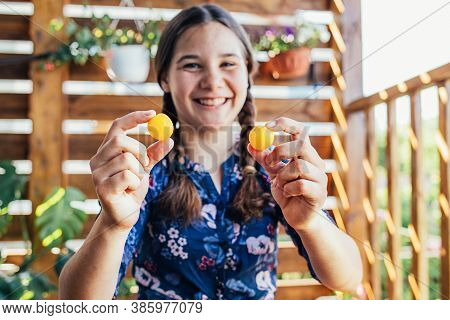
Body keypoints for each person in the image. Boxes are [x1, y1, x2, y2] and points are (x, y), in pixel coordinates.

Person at [59, 4, 362, 300]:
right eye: (192, 64)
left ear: (248, 73)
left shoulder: (274, 166)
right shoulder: (142, 173)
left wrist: (310, 222)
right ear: (164, 78)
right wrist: (113, 225)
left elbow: (347, 279)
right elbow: (76, 304)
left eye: (228, 63)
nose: (213, 81)